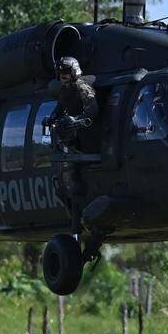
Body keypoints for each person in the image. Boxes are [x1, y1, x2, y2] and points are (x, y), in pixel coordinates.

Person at [48, 56, 99, 233]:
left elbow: (92, 111)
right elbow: (60, 107)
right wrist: (52, 118)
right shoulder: (65, 91)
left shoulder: (82, 87)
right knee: (63, 184)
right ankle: (76, 219)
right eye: (60, 72)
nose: (63, 75)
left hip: (87, 139)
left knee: (75, 183)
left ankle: (81, 220)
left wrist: (76, 121)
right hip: (71, 139)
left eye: (66, 72)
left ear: (74, 72)